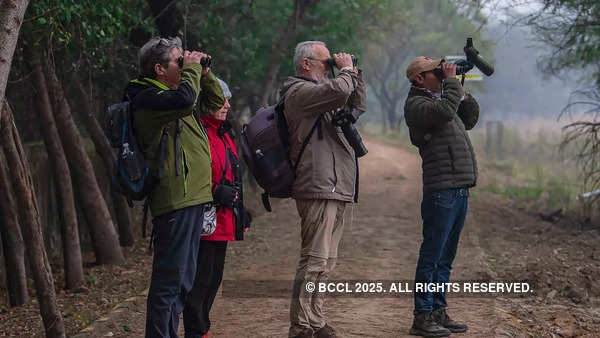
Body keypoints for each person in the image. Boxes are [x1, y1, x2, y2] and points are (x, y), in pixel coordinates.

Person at [123, 36, 224, 337]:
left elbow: (215, 103)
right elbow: (185, 101)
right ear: (158, 68)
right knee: (169, 282)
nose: (184, 65)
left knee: (183, 281)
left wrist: (205, 74)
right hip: (174, 199)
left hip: (191, 197)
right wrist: (192, 71)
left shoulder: (179, 93)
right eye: (178, 62)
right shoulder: (148, 97)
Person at [280, 40, 366, 338]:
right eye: (325, 61)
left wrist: (356, 73)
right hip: (317, 185)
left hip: (335, 185)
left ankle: (315, 320)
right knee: (314, 258)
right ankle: (301, 326)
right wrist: (345, 72)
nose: (330, 66)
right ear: (306, 63)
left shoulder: (324, 94)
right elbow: (341, 90)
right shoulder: (300, 92)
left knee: (326, 262)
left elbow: (356, 104)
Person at [403, 56, 480, 337]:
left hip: (458, 188)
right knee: (432, 257)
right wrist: (450, 83)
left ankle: (437, 311)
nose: (441, 72)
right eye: (435, 70)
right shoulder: (417, 105)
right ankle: (422, 317)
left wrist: (460, 89)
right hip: (441, 190)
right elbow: (446, 111)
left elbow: (468, 119)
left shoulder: (440, 99)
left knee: (446, 258)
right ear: (419, 79)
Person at [182, 78, 252, 337]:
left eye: (228, 99)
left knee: (213, 282)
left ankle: (202, 329)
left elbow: (233, 175)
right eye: (220, 99)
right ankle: (196, 331)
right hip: (200, 222)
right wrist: (214, 192)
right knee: (198, 285)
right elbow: (188, 177)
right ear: (205, 101)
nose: (226, 104)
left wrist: (240, 210)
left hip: (222, 221)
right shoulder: (197, 133)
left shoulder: (225, 133)